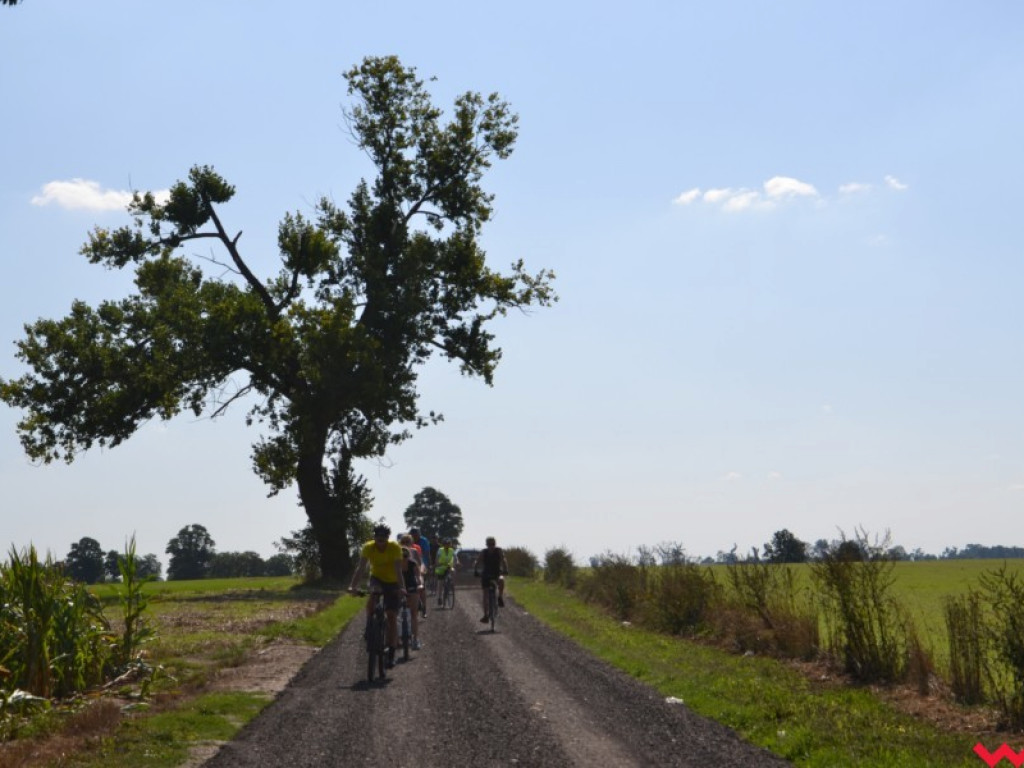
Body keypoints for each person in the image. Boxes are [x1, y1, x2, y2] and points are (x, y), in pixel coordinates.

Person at [347, 524, 406, 667]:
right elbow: (361, 568)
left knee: (391, 616)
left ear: (387, 538)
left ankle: (391, 653)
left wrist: (401, 588)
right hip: (377, 578)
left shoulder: (395, 548)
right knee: (373, 592)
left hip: (392, 581)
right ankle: (369, 623)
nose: (381, 540)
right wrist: (353, 586)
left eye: (384, 537)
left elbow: (398, 570)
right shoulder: (368, 547)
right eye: (378, 537)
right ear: (374, 537)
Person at [474, 536, 509, 622]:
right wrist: (475, 570)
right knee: (485, 596)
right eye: (489, 544)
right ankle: (486, 615)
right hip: (486, 573)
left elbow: (504, 560)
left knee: (501, 580)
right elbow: (477, 562)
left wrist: (506, 570)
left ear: (495, 544)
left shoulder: (499, 551)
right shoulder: (483, 552)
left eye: (493, 544)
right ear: (487, 545)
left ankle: (500, 597)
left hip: (497, 572)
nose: (491, 546)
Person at [398, 535, 424, 650]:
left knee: (414, 614)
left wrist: (420, 582)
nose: (405, 543)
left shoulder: (413, 556)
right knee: (394, 613)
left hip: (412, 583)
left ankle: (415, 639)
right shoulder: (395, 555)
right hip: (399, 585)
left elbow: (419, 570)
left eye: (407, 541)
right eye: (403, 541)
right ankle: (395, 639)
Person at [409, 527, 430, 616]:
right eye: (413, 535)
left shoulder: (423, 541)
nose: (414, 537)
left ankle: (424, 607)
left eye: (416, 535)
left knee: (421, 586)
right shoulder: (407, 540)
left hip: (421, 563)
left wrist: (428, 565)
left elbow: (427, 553)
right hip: (409, 565)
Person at [434, 537, 458, 606]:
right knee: (440, 583)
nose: (447, 545)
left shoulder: (452, 550)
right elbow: (437, 558)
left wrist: (456, 563)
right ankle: (439, 597)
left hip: (449, 566)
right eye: (445, 544)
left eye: (448, 544)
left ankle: (452, 584)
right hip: (441, 567)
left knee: (453, 571)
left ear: (450, 544)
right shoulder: (440, 550)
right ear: (443, 544)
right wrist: (437, 564)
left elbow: (455, 558)